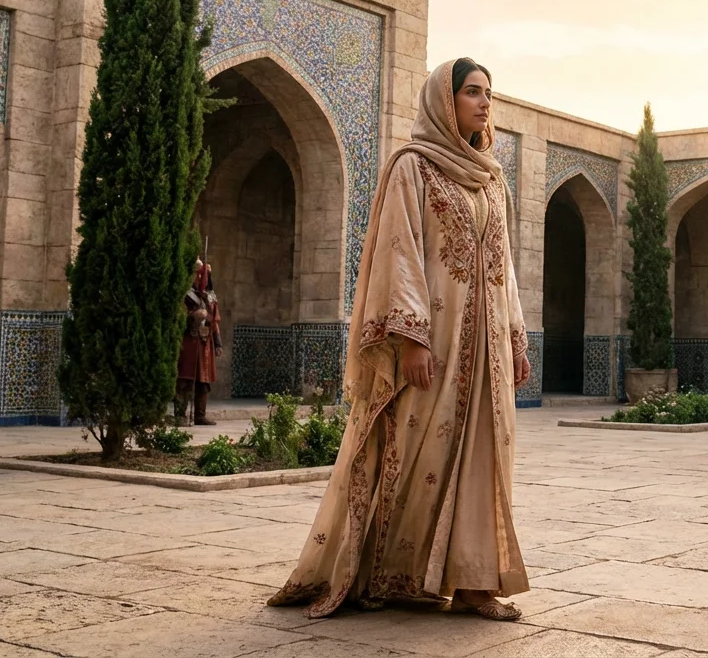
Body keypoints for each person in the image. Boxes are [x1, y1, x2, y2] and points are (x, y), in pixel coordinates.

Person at [267, 58, 532, 621]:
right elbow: (400, 250)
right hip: (434, 343)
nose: (485, 103)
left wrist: (514, 335)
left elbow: (503, 267)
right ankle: (395, 573)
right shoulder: (412, 167)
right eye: (473, 92)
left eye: (489, 93)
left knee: (485, 456)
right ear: (444, 101)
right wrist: (411, 337)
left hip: (487, 350)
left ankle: (474, 584)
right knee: (413, 453)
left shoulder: (491, 178)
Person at [176, 259, 221, 426]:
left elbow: (215, 322)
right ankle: (180, 415)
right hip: (189, 339)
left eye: (206, 275)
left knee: (204, 381)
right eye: (201, 275)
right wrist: (193, 316)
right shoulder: (186, 295)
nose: (203, 279)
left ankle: (200, 415)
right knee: (184, 379)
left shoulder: (210, 297)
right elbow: (179, 316)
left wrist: (218, 343)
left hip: (205, 343)